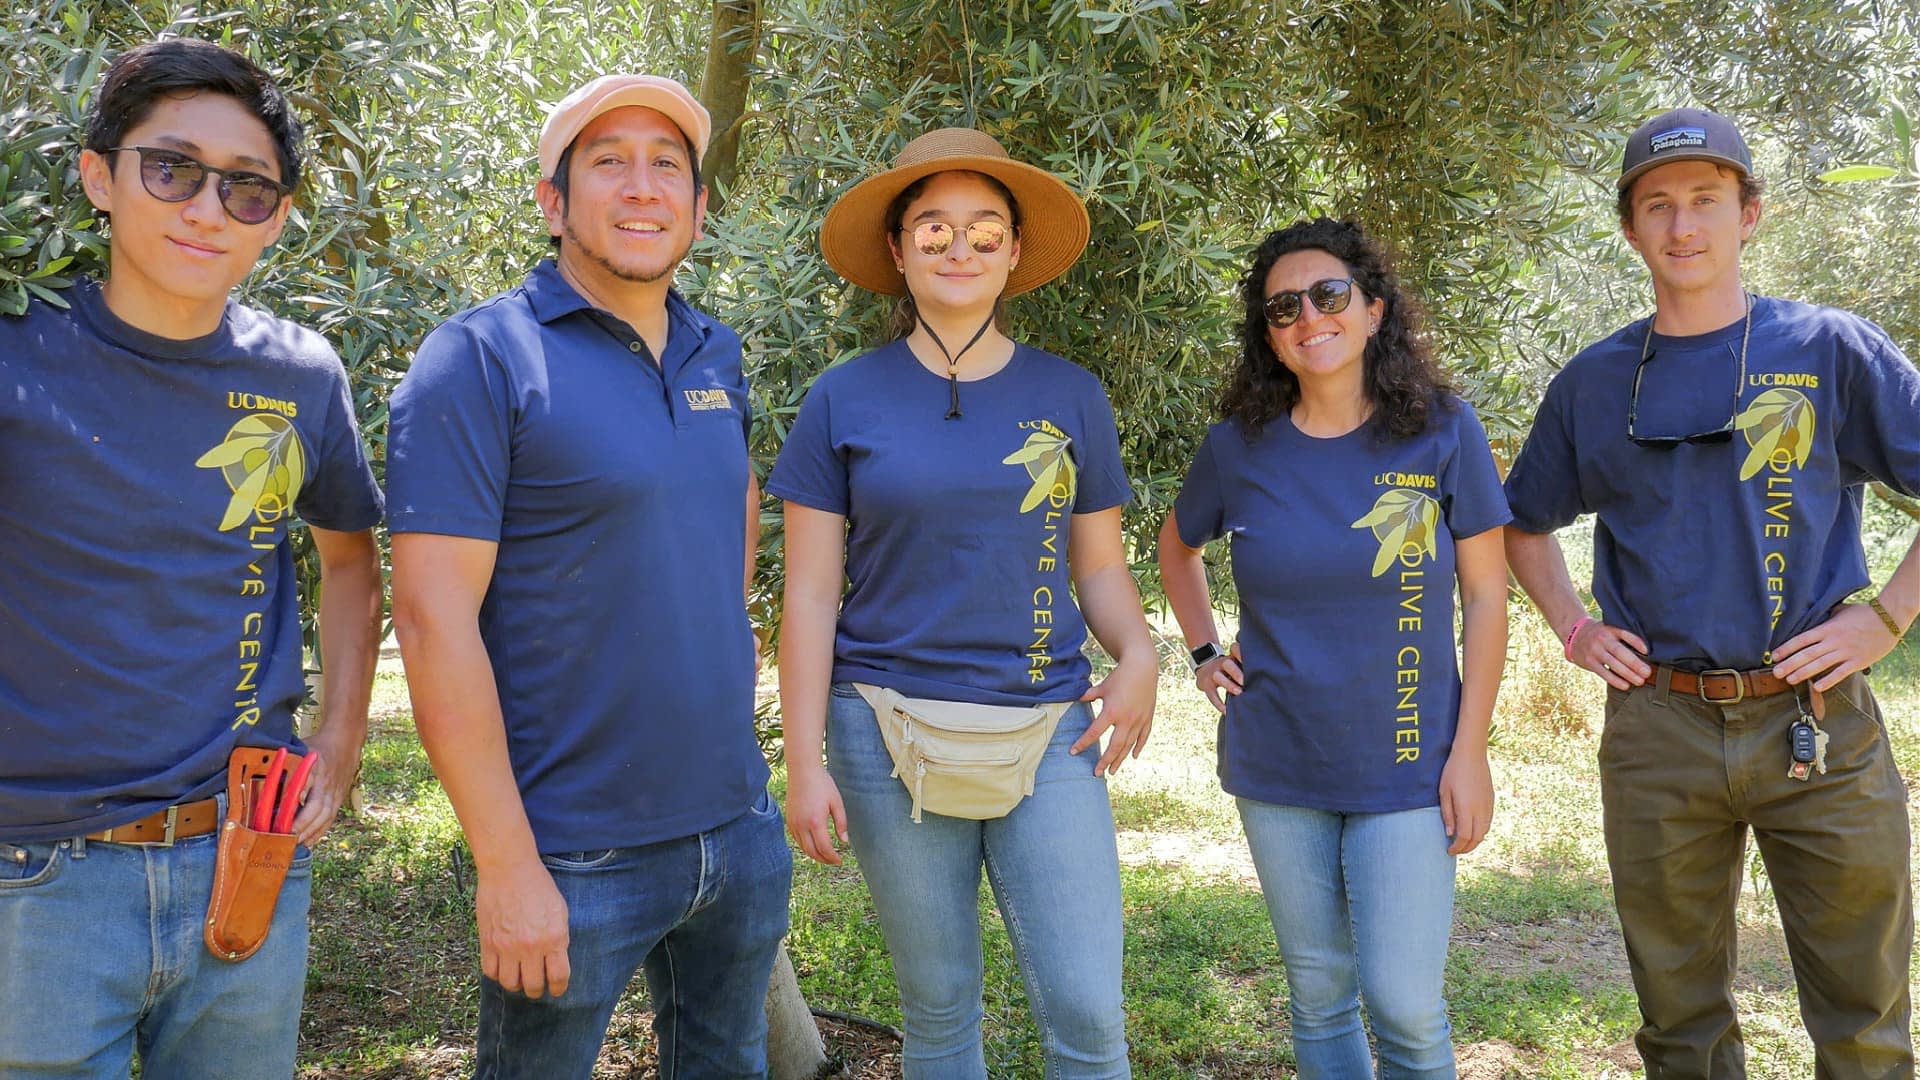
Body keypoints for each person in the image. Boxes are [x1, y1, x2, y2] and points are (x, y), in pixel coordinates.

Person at [386, 74, 790, 1077]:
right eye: (608, 162)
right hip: (571, 851)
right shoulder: (479, 359)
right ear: (553, 200)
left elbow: (729, 508)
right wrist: (506, 863)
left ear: (699, 206)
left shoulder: (716, 352)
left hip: (736, 825)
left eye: (668, 166)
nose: (642, 188)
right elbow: (433, 620)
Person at [1504, 107, 1919, 1076]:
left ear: (1750, 214)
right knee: (1679, 1023)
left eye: (1704, 201)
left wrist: (1887, 615)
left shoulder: (1831, 350)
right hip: (1660, 727)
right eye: (1658, 206)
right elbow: (1523, 523)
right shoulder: (1595, 382)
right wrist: (1573, 627)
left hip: (1819, 723)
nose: (1683, 226)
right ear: (1629, 229)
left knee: (1865, 1021)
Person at [0, 38, 384, 1078]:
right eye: (171, 169)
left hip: (249, 853)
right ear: (99, 177)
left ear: (279, 217)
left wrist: (343, 737)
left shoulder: (303, 376)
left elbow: (350, 558)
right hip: (37, 879)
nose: (206, 209)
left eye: (247, 188)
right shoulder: (16, 352)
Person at [772, 127, 1156, 1076]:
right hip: (883, 732)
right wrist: (805, 760)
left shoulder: (1071, 395)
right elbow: (812, 593)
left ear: (1015, 254)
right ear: (898, 250)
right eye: (934, 228)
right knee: (939, 1014)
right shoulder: (842, 399)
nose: (960, 248)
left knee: (1089, 1016)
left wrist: (1141, 654)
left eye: (985, 231)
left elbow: (1099, 567)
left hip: (1051, 730)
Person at [1156, 217, 1508, 1079]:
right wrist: (1204, 651)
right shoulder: (1238, 448)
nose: (1308, 317)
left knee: (1404, 1005)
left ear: (1374, 309)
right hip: (1279, 759)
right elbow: (1176, 546)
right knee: (1317, 993)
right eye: (1283, 308)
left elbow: (1488, 595)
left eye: (1328, 295)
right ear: (1269, 336)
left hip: (1407, 762)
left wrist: (1471, 753)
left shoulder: (1442, 431)